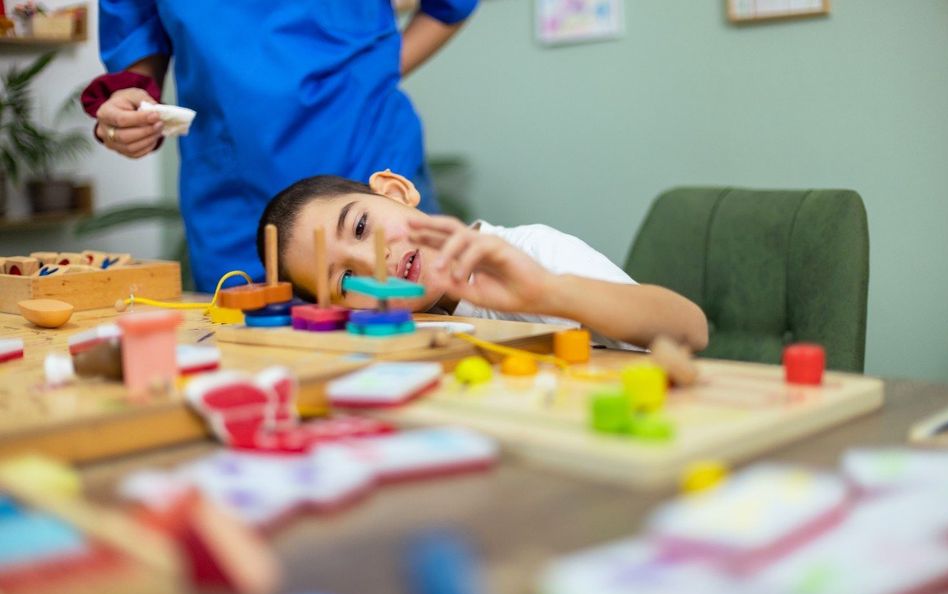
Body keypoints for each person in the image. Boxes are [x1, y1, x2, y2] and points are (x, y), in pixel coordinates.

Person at [82, 1, 478, 291]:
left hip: (363, 149)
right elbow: (135, 49)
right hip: (235, 199)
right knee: (252, 359)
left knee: (411, 350)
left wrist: (377, 72)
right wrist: (130, 112)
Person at [257, 171, 709, 351]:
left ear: (396, 191)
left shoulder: (533, 250)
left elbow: (692, 328)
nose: (376, 264)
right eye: (347, 278)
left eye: (359, 228)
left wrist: (550, 292)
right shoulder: (417, 329)